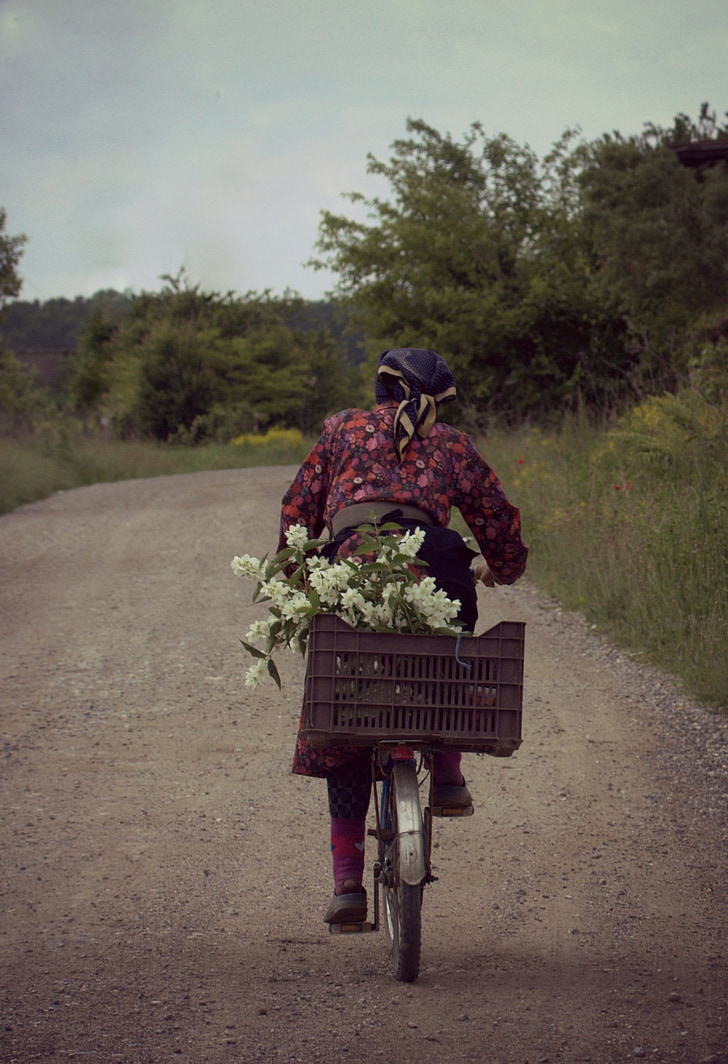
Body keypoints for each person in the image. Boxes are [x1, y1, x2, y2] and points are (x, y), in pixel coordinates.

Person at [278, 347, 528, 924]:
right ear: (438, 401)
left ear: (382, 387)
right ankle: (446, 771)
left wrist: (297, 578)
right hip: (432, 561)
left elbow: (298, 511)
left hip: (351, 565)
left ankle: (346, 881)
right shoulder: (451, 444)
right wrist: (502, 566)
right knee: (447, 635)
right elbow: (496, 518)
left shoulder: (341, 428)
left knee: (345, 703)